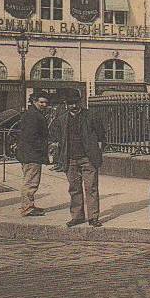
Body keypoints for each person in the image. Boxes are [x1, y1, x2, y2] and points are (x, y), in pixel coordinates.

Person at [51, 90, 105, 227]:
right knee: (74, 189)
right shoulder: (61, 119)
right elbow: (56, 138)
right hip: (70, 159)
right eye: (70, 103)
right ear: (66, 104)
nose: (74, 106)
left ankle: (93, 217)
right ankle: (77, 216)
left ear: (80, 101)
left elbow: (101, 136)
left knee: (91, 187)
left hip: (88, 158)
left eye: (76, 102)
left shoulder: (91, 115)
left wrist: (97, 153)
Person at [16, 91, 51, 217]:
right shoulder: (34, 116)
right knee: (31, 182)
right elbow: (32, 136)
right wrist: (42, 149)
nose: (44, 104)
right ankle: (27, 208)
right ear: (34, 101)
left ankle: (29, 205)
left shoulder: (31, 114)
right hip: (32, 154)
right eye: (41, 102)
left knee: (29, 181)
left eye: (46, 102)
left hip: (28, 153)